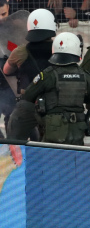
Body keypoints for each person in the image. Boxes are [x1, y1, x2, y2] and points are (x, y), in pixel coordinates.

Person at [21, 32, 90, 145]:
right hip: (77, 132)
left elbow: (28, 96)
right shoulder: (85, 76)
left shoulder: (48, 75)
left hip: (53, 131)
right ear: (77, 50)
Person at [3, 8, 56, 140]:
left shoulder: (21, 51)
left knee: (15, 136)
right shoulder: (59, 48)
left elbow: (6, 70)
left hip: (29, 103)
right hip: (55, 102)